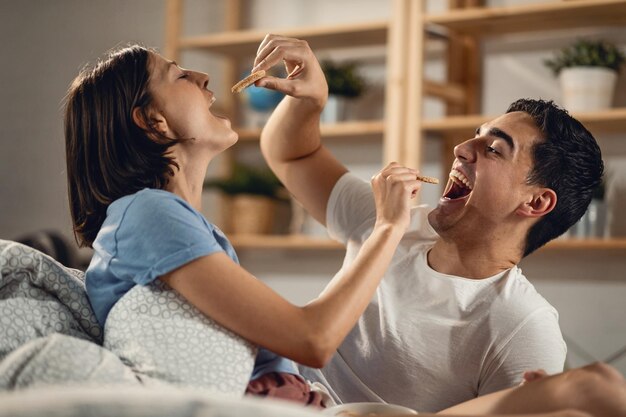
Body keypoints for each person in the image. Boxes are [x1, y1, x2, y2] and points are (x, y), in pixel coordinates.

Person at [252, 35, 604, 412]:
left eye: (493, 149)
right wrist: (310, 102)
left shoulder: (524, 327)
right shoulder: (398, 219)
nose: (461, 149)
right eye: (476, 135)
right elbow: (292, 155)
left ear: (536, 202)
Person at [63, 44, 423, 405]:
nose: (203, 78)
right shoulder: (148, 214)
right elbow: (313, 339)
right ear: (152, 120)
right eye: (180, 75)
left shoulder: (169, 219)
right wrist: (388, 226)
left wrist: (313, 98)